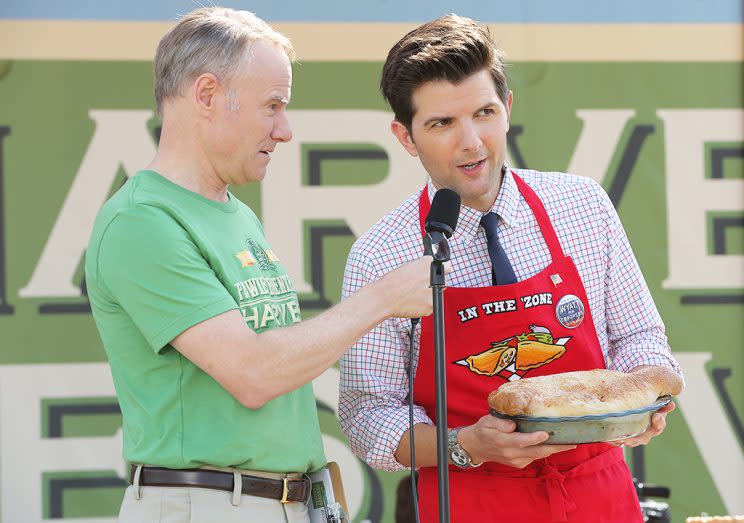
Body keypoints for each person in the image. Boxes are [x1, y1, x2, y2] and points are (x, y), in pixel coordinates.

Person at [85, 7, 434, 523]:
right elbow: (252, 373)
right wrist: (382, 299)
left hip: (276, 500)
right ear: (206, 95)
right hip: (207, 503)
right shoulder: (142, 221)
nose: (285, 129)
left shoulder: (235, 213)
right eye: (272, 105)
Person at [338, 14, 683, 523]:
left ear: (508, 109)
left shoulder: (583, 205)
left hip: (600, 494)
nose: (472, 141)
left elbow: (639, 336)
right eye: (442, 123)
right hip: (471, 499)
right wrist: (466, 444)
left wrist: (647, 397)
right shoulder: (381, 254)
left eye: (484, 112)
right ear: (406, 136)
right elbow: (369, 415)